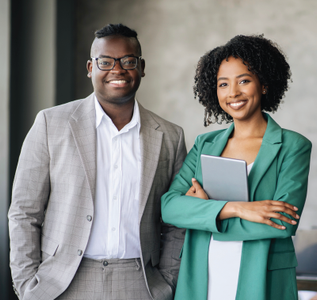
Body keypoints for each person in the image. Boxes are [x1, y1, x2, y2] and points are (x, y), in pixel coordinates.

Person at [8, 23, 187, 300]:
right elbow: (24, 211)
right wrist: (26, 284)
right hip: (63, 282)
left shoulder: (170, 136)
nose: (118, 69)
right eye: (106, 61)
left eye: (128, 61)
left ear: (141, 67)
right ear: (91, 68)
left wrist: (168, 282)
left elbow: (176, 221)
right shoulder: (50, 123)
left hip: (140, 283)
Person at [161, 34, 312, 300]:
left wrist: (202, 214)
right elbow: (170, 207)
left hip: (261, 275)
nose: (233, 93)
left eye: (244, 80)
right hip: (202, 272)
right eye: (223, 84)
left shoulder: (293, 146)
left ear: (263, 85)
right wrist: (237, 208)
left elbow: (281, 223)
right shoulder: (204, 144)